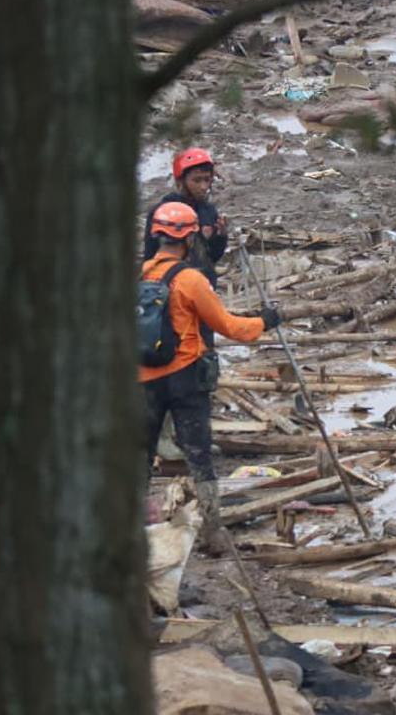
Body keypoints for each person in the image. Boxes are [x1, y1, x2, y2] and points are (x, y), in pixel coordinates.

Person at [140, 202, 279, 551]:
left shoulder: (141, 276)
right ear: (188, 238)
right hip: (185, 377)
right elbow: (230, 327)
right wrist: (265, 322)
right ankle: (213, 531)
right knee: (199, 454)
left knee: (141, 457)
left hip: (143, 379)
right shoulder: (191, 280)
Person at [144, 147, 229, 289]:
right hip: (173, 288)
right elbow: (150, 256)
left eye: (207, 180)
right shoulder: (163, 213)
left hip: (203, 286)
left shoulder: (208, 210)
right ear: (181, 181)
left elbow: (212, 257)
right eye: (196, 180)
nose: (203, 187)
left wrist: (220, 237)